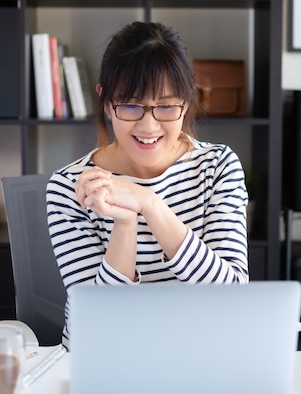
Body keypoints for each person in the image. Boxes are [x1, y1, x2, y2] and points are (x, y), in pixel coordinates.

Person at [46, 21, 249, 348]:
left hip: (197, 355)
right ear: (105, 100)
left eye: (166, 106)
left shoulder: (218, 167)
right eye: (130, 105)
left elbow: (231, 295)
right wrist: (124, 224)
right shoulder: (71, 187)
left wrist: (149, 204)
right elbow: (100, 322)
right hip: (104, 360)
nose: (149, 125)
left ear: (187, 101)